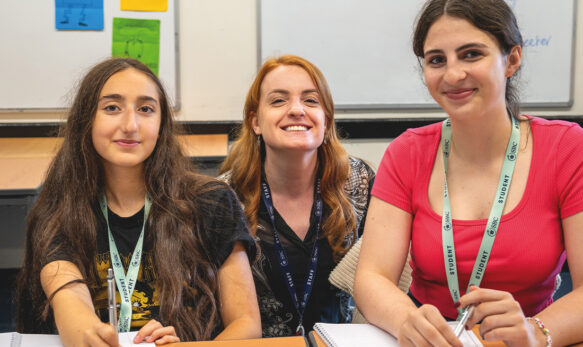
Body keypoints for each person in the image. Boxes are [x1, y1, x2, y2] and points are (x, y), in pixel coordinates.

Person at [354, 0, 583, 346]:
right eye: (436, 60)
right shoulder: (407, 152)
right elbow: (372, 277)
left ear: (513, 59)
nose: (452, 75)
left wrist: (535, 332)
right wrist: (408, 322)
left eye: (471, 54)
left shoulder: (566, 148)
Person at [15, 57, 261, 346]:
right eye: (112, 108)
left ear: (161, 124)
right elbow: (68, 299)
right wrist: (89, 334)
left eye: (146, 109)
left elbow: (247, 324)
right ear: (86, 119)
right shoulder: (59, 207)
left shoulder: (212, 202)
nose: (130, 125)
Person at [218, 55, 375, 337]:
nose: (296, 110)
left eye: (311, 100)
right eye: (278, 101)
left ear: (326, 120)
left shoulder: (358, 182)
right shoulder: (224, 198)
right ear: (255, 122)